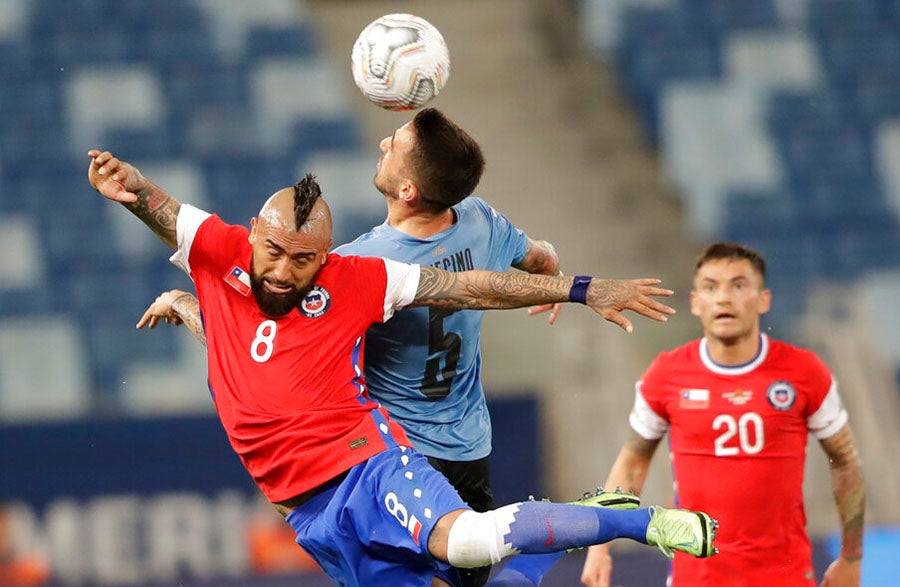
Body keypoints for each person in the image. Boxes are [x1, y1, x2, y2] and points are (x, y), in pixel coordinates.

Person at [86, 148, 718, 587]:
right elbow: (156, 206)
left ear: (326, 256)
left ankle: (638, 521)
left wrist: (581, 289)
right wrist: (132, 194)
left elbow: (472, 288)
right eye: (273, 251)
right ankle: (571, 529)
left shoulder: (362, 279)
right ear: (252, 234)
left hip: (367, 467)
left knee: (466, 541)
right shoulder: (215, 250)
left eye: (304, 260)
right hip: (306, 514)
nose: (282, 270)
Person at [142, 107, 565, 586]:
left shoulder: (356, 267)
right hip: (469, 446)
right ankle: (554, 530)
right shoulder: (481, 220)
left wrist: (188, 305)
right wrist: (559, 283)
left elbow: (268, 353)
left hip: (391, 453)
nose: (384, 143)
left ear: (408, 190)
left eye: (396, 143)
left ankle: (555, 530)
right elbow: (538, 257)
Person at [580, 242, 865, 587]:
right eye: (711, 287)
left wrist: (851, 557)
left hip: (784, 575)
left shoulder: (804, 372)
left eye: (739, 285)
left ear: (764, 299)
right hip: (696, 577)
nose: (724, 298)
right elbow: (632, 463)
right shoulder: (666, 374)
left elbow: (846, 461)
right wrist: (600, 549)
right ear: (696, 303)